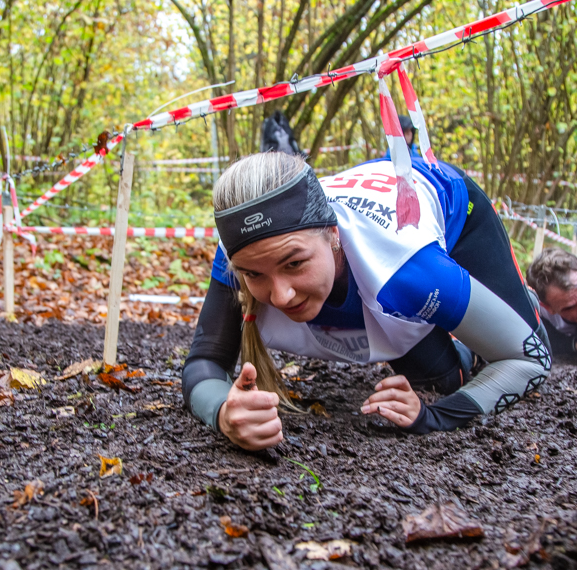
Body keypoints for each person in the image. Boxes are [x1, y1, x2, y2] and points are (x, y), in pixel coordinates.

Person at [182, 151, 551, 450]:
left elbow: (530, 360)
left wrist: (431, 417)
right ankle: (467, 330)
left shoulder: (407, 271)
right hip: (374, 270)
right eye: (254, 275)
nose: (281, 296)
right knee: (448, 378)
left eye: (294, 263)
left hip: (449, 206)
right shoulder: (240, 253)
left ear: (333, 235)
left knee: (481, 367)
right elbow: (204, 362)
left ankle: (490, 312)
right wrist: (224, 415)